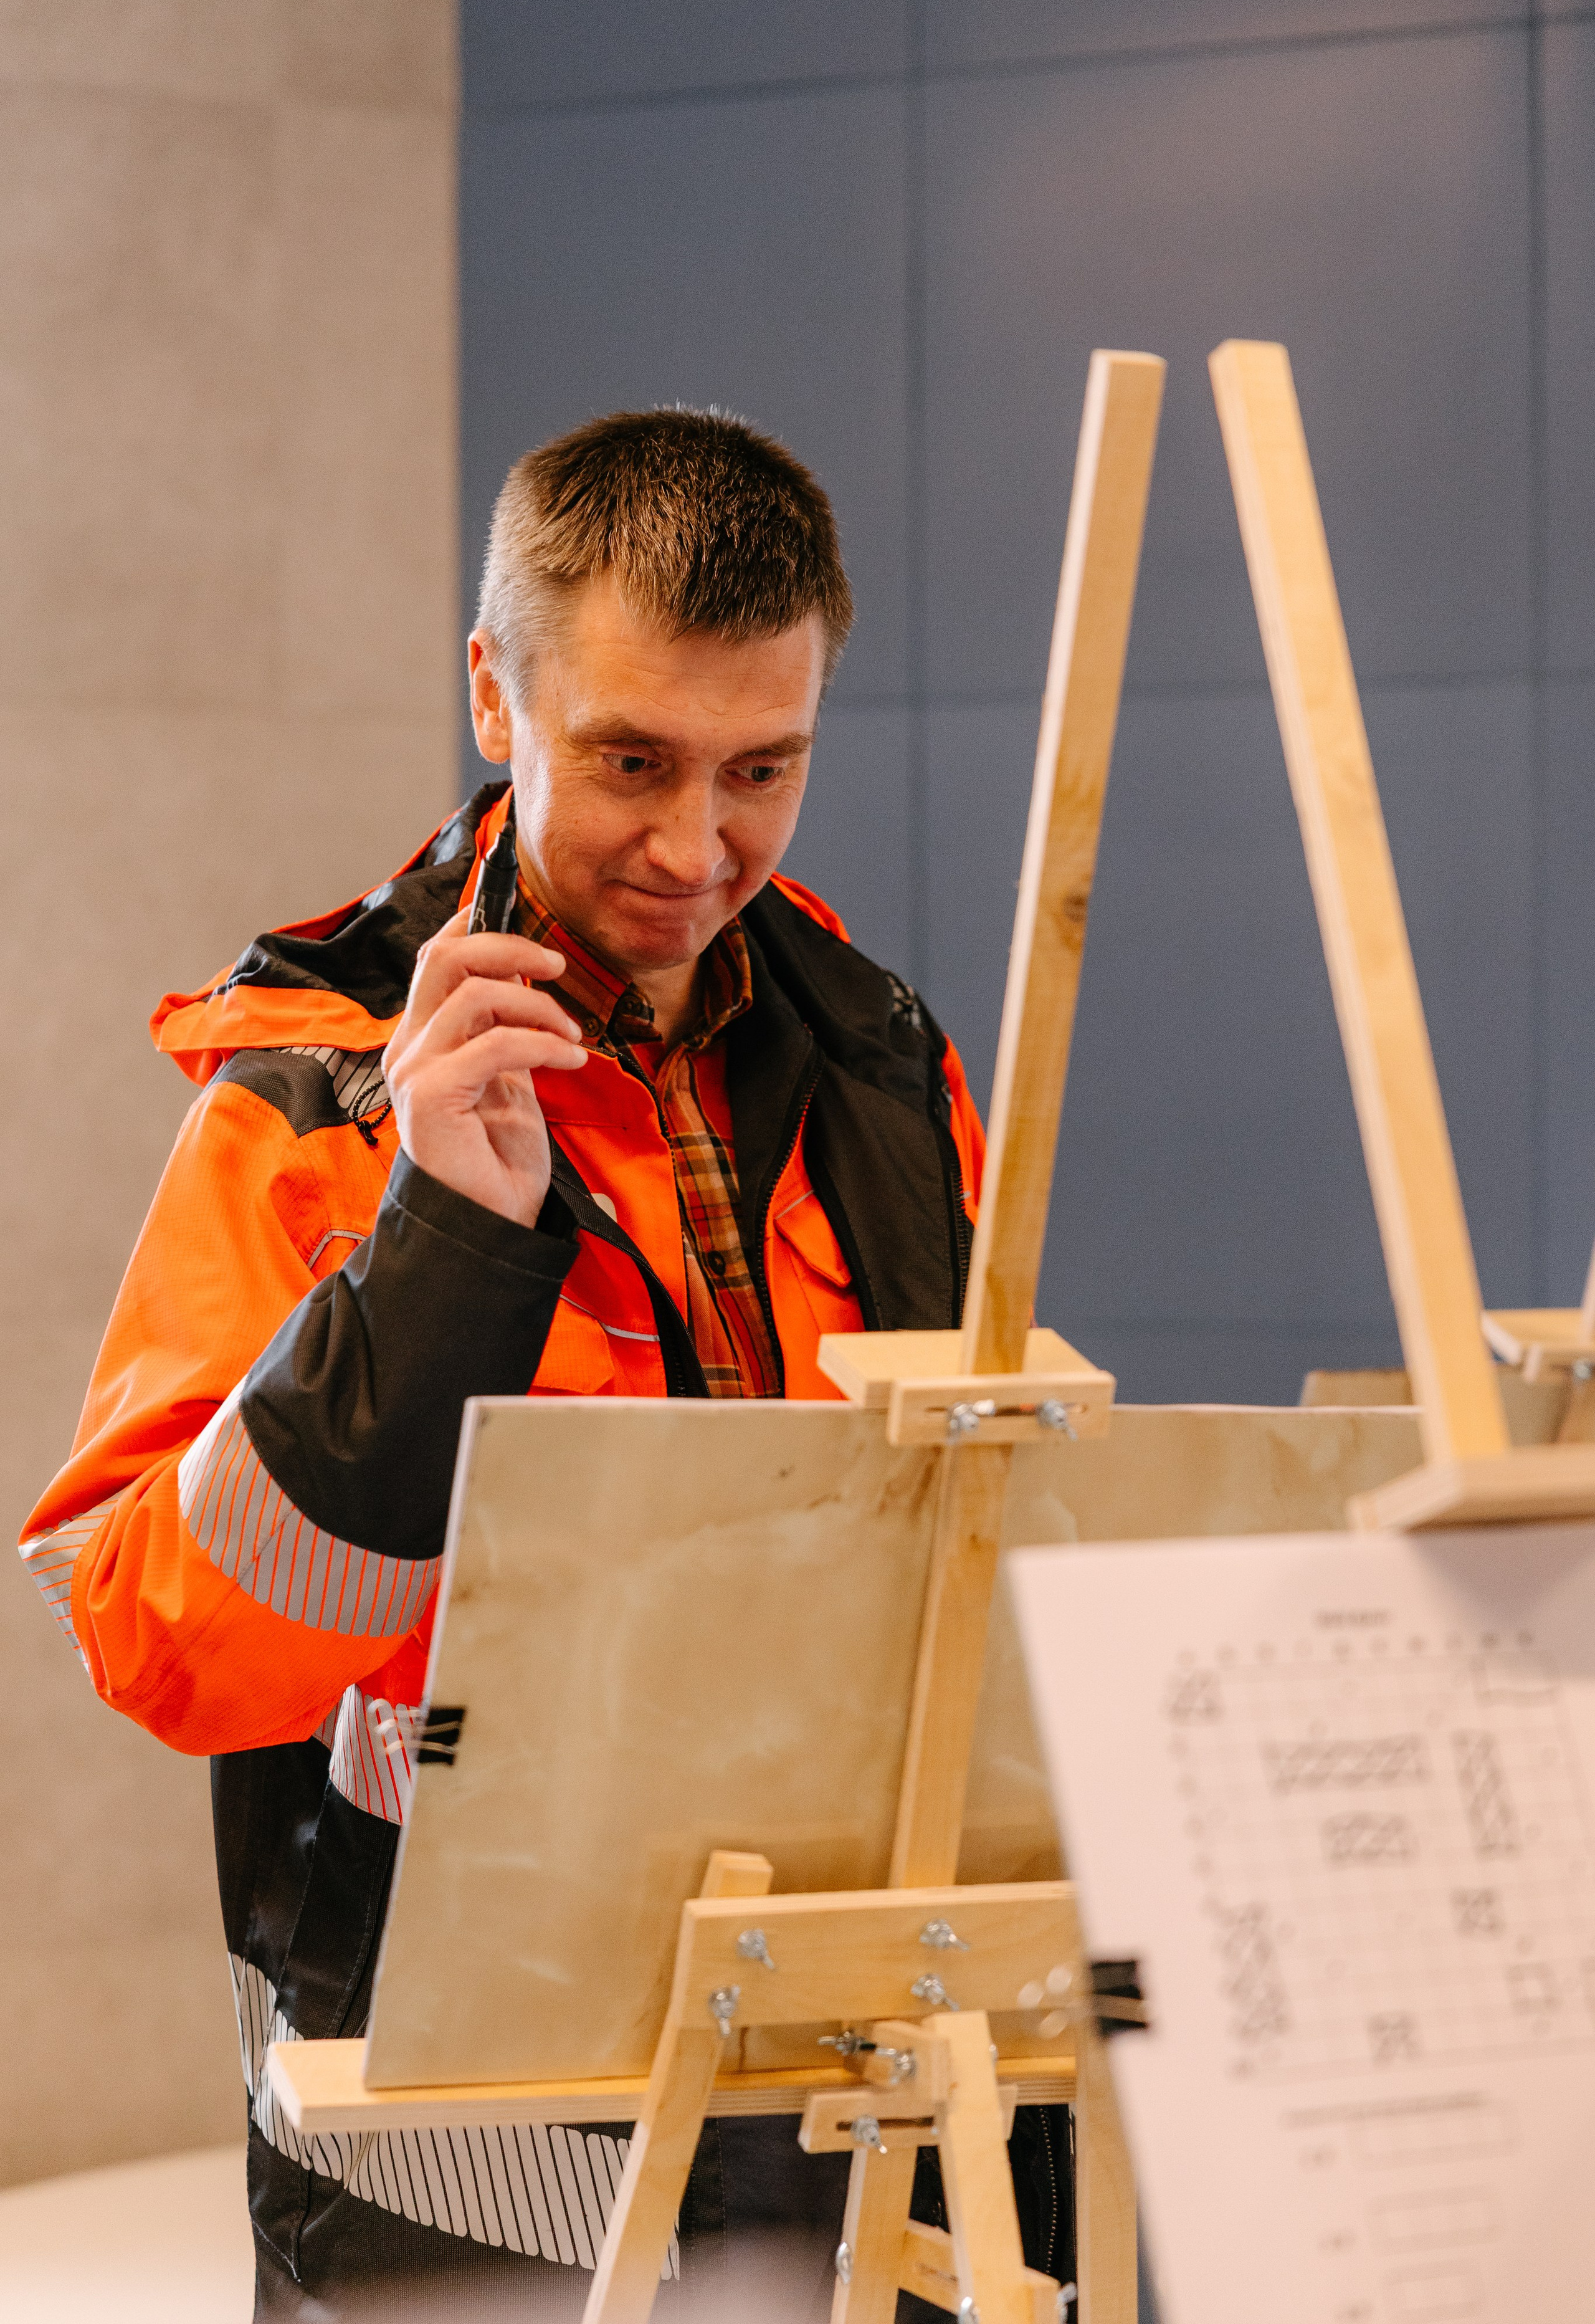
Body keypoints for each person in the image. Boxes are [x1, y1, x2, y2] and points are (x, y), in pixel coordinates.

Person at [19, 409, 1070, 2316]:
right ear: (494, 694)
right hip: (465, 2153)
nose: (698, 846)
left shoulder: (888, 1067)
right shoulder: (310, 1095)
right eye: (631, 762)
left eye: (766, 767)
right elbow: (157, 1642)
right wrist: (439, 1252)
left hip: (858, 2094)